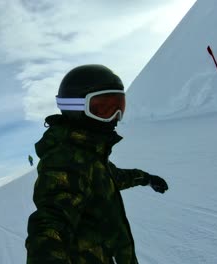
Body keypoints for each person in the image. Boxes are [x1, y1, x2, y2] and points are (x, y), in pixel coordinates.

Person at [25, 64, 168, 264]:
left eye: (119, 106)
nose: (115, 117)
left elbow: (112, 177)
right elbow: (51, 222)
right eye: (103, 108)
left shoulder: (89, 156)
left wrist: (146, 178)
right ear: (75, 108)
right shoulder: (65, 160)